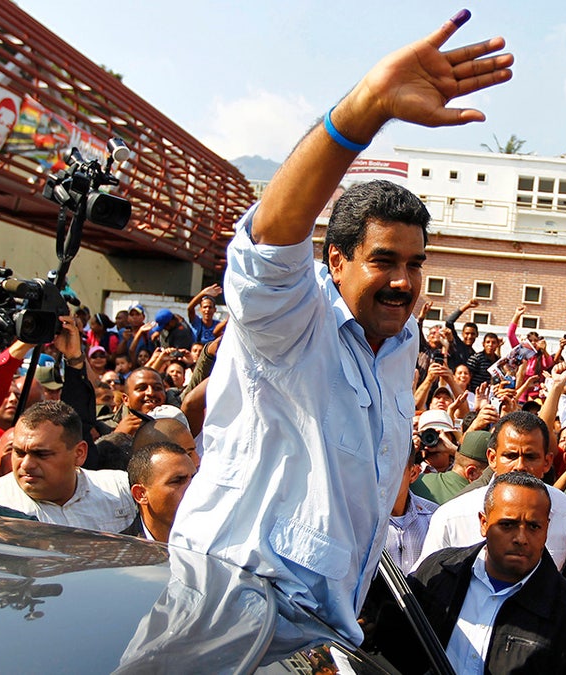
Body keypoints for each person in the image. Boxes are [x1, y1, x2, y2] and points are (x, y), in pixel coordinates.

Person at [168, 11, 513, 650]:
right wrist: (361, 111)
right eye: (383, 260)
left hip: (320, 631)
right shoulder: (292, 324)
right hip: (228, 614)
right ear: (335, 260)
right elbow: (268, 246)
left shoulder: (401, 344)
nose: (403, 282)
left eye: (415, 265)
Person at [390, 471, 566, 674]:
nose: (521, 538)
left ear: (547, 528)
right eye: (508, 525)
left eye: (534, 526)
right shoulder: (437, 573)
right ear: (484, 523)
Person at [416, 411, 566, 570]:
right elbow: (426, 582)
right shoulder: (452, 517)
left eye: (530, 457)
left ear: (547, 462)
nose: (520, 466)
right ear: (492, 458)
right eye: (510, 456)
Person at [0, 401, 136, 532]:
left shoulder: (120, 489)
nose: (26, 464)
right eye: (19, 453)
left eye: (41, 454)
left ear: (79, 453)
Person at [124, 441, 196, 542]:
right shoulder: (117, 554)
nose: (192, 487)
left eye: (195, 478)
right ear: (141, 494)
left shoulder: (216, 542)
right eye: (177, 481)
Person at [386, 449, 438, 571]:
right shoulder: (361, 521)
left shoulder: (434, 515)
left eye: (394, 472)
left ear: (413, 474)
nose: (384, 480)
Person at [411, 428, 489, 505]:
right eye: (490, 473)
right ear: (472, 473)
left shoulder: (416, 481)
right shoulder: (480, 499)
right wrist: (452, 449)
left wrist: (409, 450)